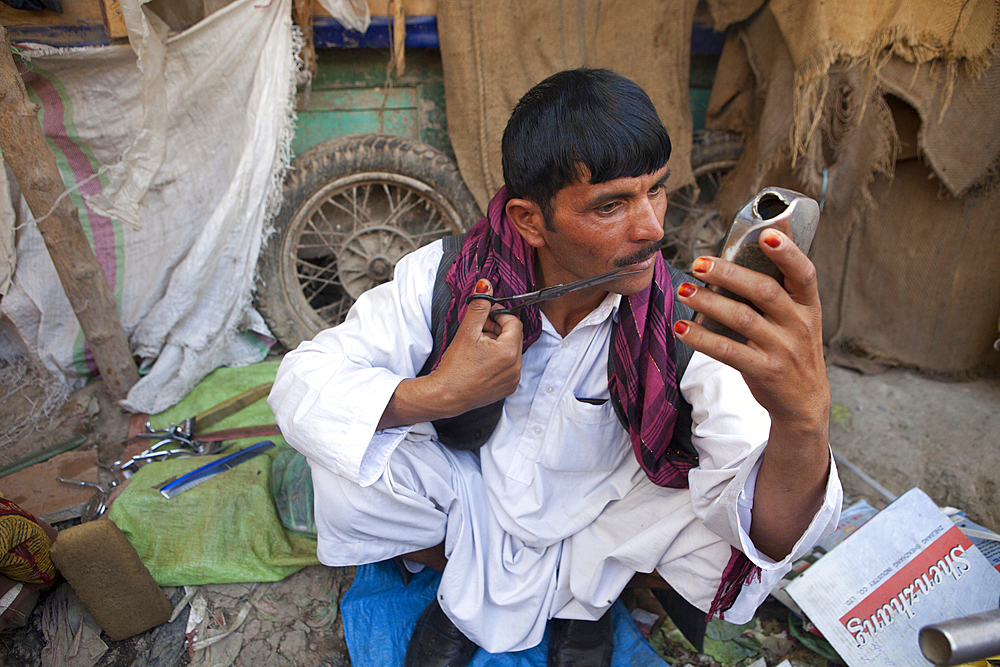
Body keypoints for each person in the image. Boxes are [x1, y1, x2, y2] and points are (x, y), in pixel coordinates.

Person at [268, 68, 842, 667]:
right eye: (611, 205)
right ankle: (482, 590)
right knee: (342, 470)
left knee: (749, 531)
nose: (651, 228)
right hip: (473, 504)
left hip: (605, 522)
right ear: (529, 221)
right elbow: (302, 383)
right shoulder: (448, 278)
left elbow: (772, 528)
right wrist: (440, 394)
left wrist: (804, 417)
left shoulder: (684, 322)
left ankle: (579, 606)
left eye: (656, 191)